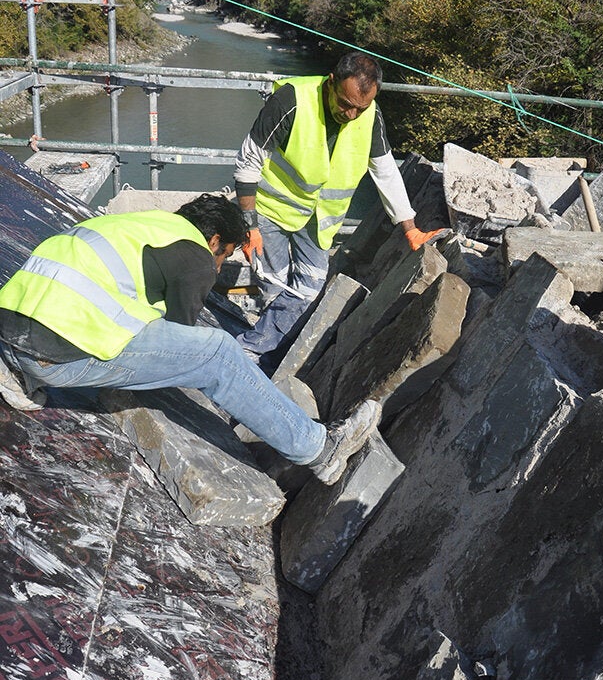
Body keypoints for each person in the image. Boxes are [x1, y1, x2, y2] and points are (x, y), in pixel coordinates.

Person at [0, 194, 380, 485]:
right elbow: (181, 341)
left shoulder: (138, 225)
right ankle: (319, 450)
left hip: (11, 331)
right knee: (217, 353)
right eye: (225, 255)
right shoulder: (196, 256)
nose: (218, 266)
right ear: (215, 240)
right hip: (57, 359)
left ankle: (20, 373)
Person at [234, 50, 441, 366]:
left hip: (321, 220)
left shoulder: (369, 116)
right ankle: (255, 355)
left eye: (360, 107)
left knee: (307, 291)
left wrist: (410, 227)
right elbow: (249, 162)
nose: (351, 114)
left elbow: (385, 170)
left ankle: (252, 350)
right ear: (331, 82)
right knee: (275, 287)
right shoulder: (293, 98)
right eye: (345, 104)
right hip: (271, 212)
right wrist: (248, 225)